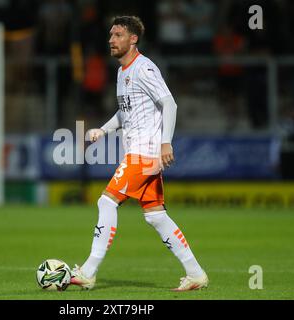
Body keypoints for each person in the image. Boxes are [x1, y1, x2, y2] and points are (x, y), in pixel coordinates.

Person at [70, 16, 208, 291]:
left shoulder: (144, 68)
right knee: (156, 216)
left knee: (106, 202)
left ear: (133, 39)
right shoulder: (123, 72)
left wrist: (165, 143)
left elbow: (170, 104)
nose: (111, 40)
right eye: (110, 34)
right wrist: (103, 130)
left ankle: (88, 271)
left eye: (118, 34)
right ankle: (196, 274)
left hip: (144, 153)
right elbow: (126, 111)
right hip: (140, 153)